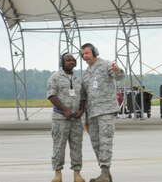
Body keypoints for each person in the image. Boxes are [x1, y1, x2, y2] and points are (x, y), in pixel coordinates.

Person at [80, 43, 124, 182]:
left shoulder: (106, 65)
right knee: (96, 143)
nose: (84, 56)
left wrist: (117, 70)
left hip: (106, 110)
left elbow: (119, 76)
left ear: (94, 52)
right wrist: (85, 118)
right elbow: (84, 96)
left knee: (105, 141)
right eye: (83, 54)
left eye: (87, 53)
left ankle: (104, 173)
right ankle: (105, 172)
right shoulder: (86, 74)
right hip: (91, 113)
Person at [48, 52, 87, 182]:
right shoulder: (55, 77)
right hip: (60, 119)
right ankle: (57, 173)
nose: (71, 62)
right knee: (59, 146)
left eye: (73, 60)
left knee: (77, 146)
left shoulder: (78, 79)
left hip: (76, 119)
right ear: (62, 63)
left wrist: (81, 109)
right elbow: (52, 95)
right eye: (68, 60)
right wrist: (64, 110)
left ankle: (77, 174)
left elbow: (83, 97)